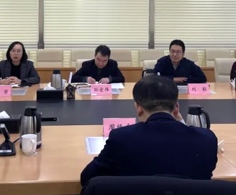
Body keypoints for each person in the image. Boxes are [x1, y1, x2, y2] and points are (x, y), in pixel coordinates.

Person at [80, 75, 218, 186]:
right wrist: (181, 123)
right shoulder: (207, 140)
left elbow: (87, 177)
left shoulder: (122, 139)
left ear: (138, 108)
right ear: (176, 108)